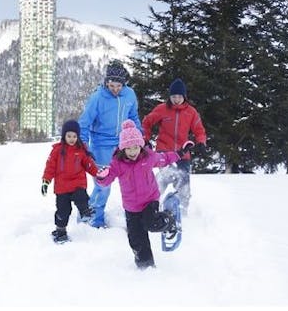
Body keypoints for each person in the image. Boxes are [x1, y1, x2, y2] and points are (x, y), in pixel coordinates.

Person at [95, 120, 194, 269]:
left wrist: (180, 153)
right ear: (122, 149)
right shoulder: (117, 164)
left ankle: (170, 219)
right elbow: (106, 180)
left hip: (149, 200)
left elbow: (165, 158)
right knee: (136, 239)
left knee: (151, 223)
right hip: (131, 207)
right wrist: (101, 177)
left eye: (135, 147)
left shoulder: (148, 157)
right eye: (129, 148)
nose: (133, 152)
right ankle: (146, 266)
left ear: (140, 146)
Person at [78, 59, 142, 228]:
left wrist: (139, 137)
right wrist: (84, 146)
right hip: (101, 145)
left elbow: (133, 117)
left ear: (124, 84)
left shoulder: (129, 95)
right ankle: (93, 217)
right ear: (106, 82)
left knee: (131, 179)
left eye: (118, 86)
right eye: (111, 85)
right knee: (103, 184)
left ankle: (136, 216)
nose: (115, 89)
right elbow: (84, 122)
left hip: (123, 144)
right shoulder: (97, 97)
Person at [141, 78, 207, 215]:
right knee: (163, 178)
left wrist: (201, 142)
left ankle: (183, 210)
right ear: (169, 97)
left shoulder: (191, 112)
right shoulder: (161, 109)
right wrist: (145, 139)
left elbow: (199, 130)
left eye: (179, 97)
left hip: (183, 153)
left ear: (184, 97)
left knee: (183, 181)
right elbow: (146, 123)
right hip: (164, 152)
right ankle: (152, 206)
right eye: (173, 96)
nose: (176, 99)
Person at [41, 119, 99, 243]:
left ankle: (85, 211)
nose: (72, 139)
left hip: (78, 182)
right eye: (69, 136)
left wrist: (97, 173)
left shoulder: (81, 150)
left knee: (81, 195)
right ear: (64, 136)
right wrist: (46, 181)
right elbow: (50, 166)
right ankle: (61, 231)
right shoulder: (57, 150)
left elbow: (89, 165)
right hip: (62, 187)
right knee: (63, 211)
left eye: (74, 136)